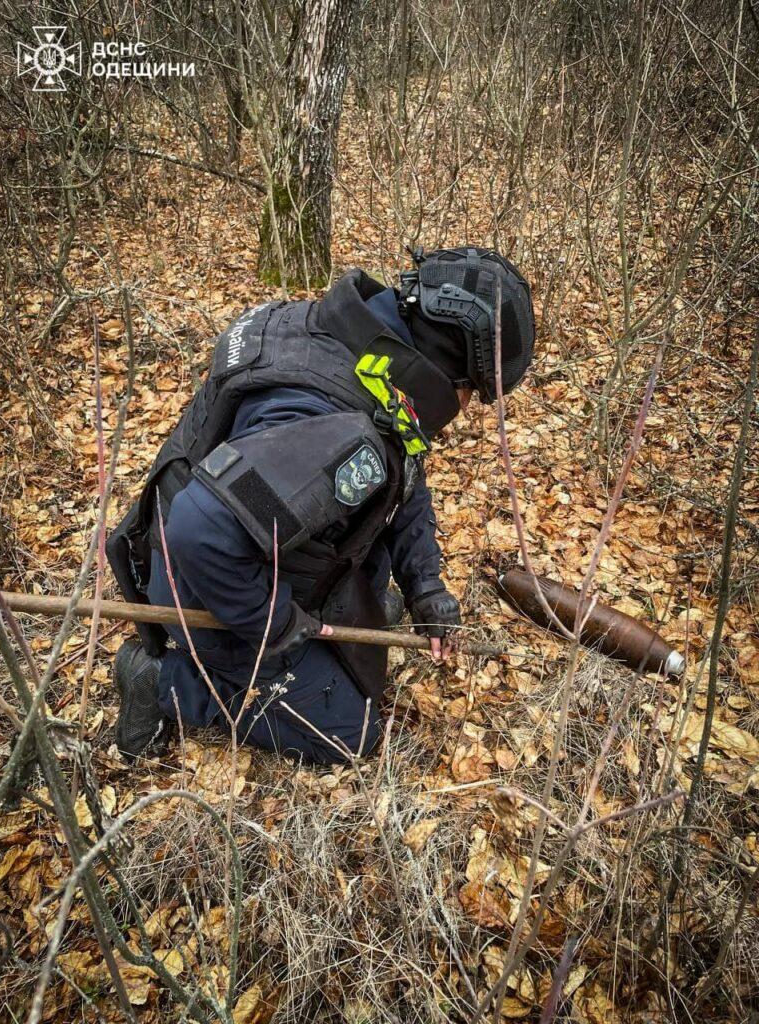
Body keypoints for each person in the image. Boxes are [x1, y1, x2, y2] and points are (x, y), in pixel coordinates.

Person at [107, 246, 535, 764]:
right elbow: (202, 530)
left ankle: (324, 623)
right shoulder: (340, 433)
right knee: (350, 734)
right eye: (471, 391)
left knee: (367, 613)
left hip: (250, 547)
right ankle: (163, 683)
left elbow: (405, 475)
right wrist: (275, 624)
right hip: (203, 594)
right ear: (448, 367)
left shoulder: (350, 349)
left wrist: (424, 585)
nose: (465, 409)